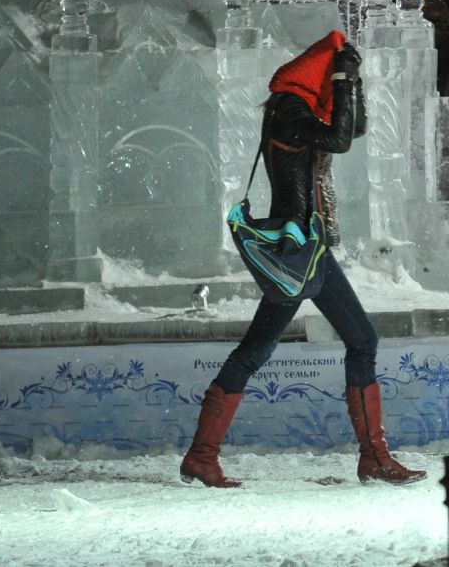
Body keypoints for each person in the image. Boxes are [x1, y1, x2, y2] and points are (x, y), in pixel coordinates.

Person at [180, 30, 424, 488]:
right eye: (336, 75)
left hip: (309, 250)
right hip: (298, 251)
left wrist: (353, 82)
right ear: (319, 73)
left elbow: (354, 128)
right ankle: (371, 457)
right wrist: (345, 81)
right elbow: (340, 139)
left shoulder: (301, 107)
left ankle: (203, 456)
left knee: (319, 344)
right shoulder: (290, 109)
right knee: (330, 343)